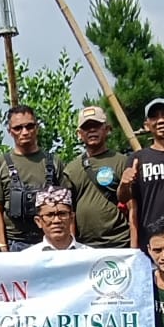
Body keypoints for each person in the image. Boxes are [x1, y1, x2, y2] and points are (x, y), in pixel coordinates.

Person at [0, 105, 70, 251]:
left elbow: (68, 207)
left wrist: (70, 246)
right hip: (14, 243)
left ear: (37, 127)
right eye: (18, 128)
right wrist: (2, 247)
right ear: (9, 131)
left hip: (50, 243)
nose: (24, 132)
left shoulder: (54, 162)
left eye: (29, 126)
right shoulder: (0, 163)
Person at [119, 97, 164, 254]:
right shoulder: (137, 159)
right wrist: (124, 183)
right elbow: (127, 202)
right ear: (146, 125)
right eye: (154, 117)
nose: (160, 120)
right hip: (150, 248)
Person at [64, 106, 132, 248]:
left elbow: (133, 207)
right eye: (86, 127)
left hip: (121, 241)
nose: (92, 130)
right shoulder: (71, 169)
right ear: (79, 133)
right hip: (85, 245)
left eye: (96, 126)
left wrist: (135, 245)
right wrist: (71, 246)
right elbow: (69, 211)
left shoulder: (123, 161)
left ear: (107, 129)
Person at [23, 186, 90, 252]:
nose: (56, 220)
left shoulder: (91, 256)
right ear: (38, 221)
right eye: (49, 215)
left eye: (62, 214)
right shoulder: (28, 258)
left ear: (72, 218)